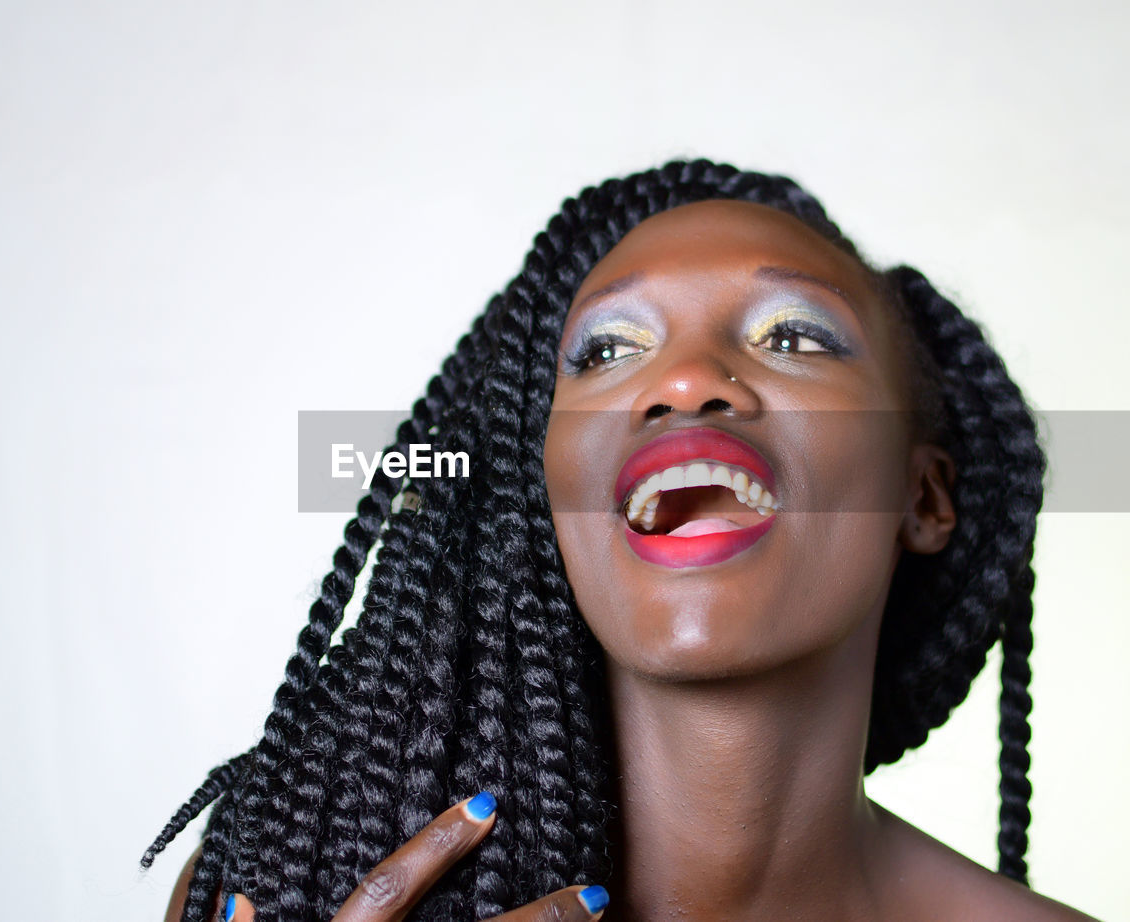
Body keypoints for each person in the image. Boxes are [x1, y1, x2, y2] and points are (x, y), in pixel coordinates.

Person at [144, 159, 1096, 921]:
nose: (686, 380)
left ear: (925, 496)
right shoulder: (292, 882)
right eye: (606, 351)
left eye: (795, 337)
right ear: (539, 483)